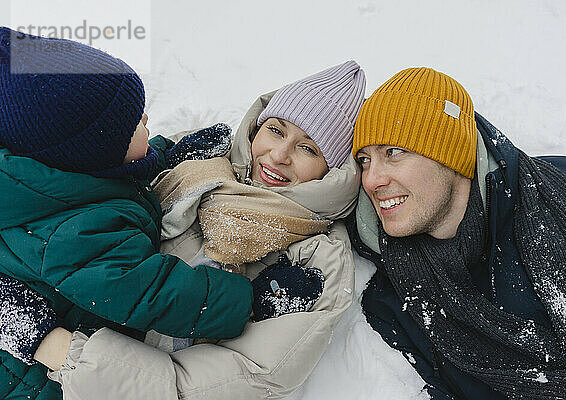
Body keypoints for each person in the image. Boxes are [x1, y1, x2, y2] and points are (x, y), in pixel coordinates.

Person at [1, 32, 366, 400]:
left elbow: (223, 383)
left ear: (332, 168)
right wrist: (164, 159)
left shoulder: (317, 260)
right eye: (275, 130)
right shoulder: (206, 162)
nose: (278, 155)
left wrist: (54, 346)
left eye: (307, 148)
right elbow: (110, 162)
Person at [347, 67, 566, 399]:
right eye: (364, 160)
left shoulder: (565, 186)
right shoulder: (398, 296)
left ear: (450, 154)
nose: (372, 180)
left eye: (393, 153)